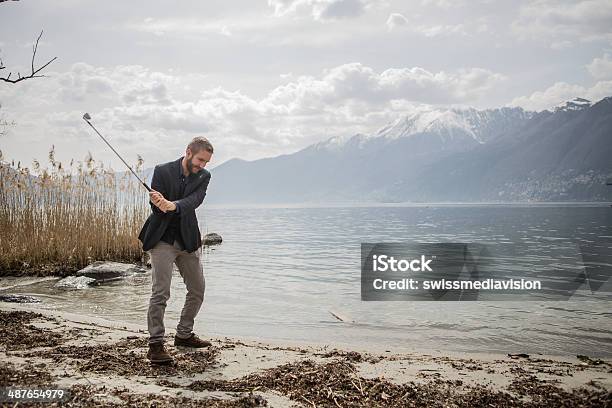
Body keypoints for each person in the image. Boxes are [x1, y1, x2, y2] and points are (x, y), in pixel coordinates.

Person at [138, 136, 213, 364]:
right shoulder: (162, 171)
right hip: (162, 239)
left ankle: (183, 334)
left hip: (187, 239)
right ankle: (155, 345)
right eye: (200, 160)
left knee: (197, 289)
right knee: (161, 292)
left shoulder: (204, 176)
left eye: (206, 162)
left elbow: (195, 200)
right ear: (188, 152)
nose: (202, 166)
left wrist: (174, 205)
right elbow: (155, 205)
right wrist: (159, 202)